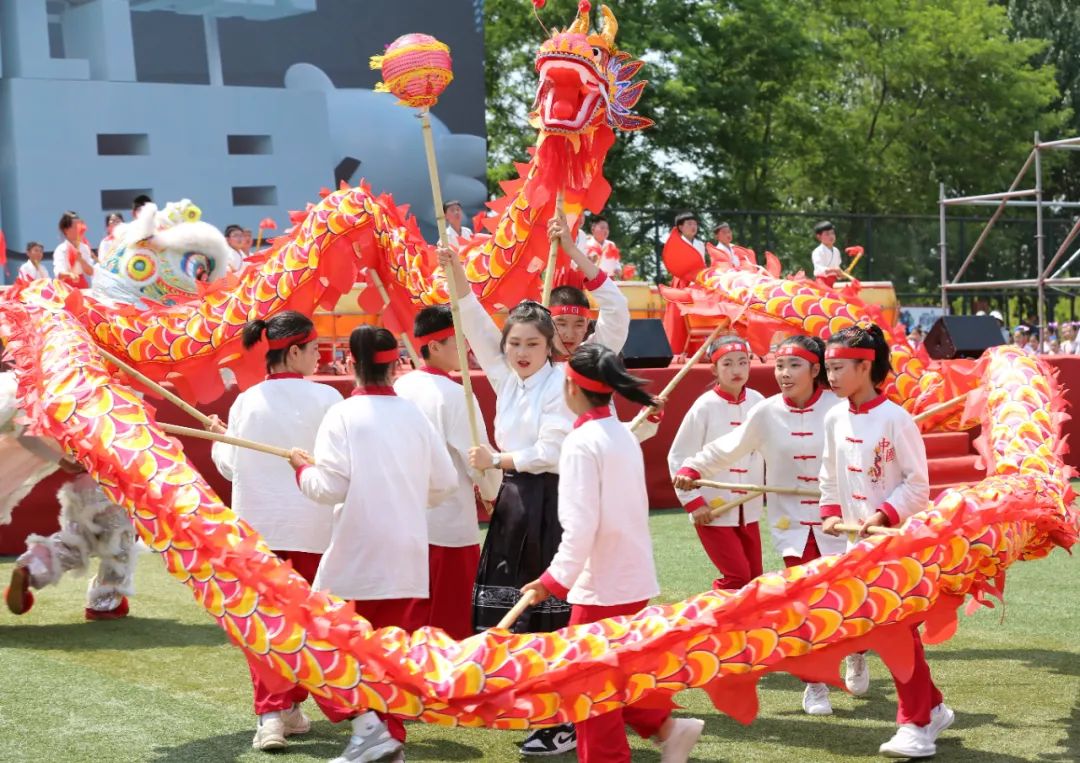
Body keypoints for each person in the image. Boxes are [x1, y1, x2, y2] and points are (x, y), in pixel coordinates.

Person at [521, 343, 704, 763]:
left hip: (601, 583)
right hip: (629, 576)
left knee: (590, 690)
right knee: (617, 672)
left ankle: (654, 734)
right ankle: (667, 727)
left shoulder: (584, 441)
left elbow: (580, 525)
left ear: (571, 386)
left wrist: (552, 580)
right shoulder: (618, 432)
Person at [289, 324, 457, 763]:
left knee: (320, 642)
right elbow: (445, 482)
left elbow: (327, 488)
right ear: (396, 362)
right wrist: (403, 497)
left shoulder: (343, 415)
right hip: (406, 554)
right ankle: (386, 740)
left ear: (348, 363)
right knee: (391, 656)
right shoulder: (413, 415)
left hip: (357, 554)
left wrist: (301, 469)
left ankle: (368, 728)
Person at [438, 246, 578, 756]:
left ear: (551, 346)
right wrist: (454, 271)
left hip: (551, 501)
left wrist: (497, 460)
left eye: (532, 343)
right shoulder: (507, 378)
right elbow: (471, 320)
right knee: (509, 605)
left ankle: (563, 719)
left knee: (548, 613)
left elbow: (553, 450)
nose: (521, 351)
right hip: (516, 504)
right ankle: (529, 705)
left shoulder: (560, 382)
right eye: (514, 342)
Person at [673, 335, 853, 716]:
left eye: (794, 366)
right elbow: (728, 446)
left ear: (815, 370)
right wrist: (693, 472)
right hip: (788, 522)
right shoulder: (764, 410)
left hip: (839, 520)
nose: (784, 374)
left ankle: (856, 652)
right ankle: (814, 683)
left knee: (845, 601)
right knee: (800, 600)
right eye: (779, 366)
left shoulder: (840, 408)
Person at [206, 311, 342, 752]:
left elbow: (232, 466)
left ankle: (275, 713)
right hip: (315, 529)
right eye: (315, 346)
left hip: (258, 530)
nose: (320, 353)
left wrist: (220, 440)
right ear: (294, 351)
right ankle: (284, 708)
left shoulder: (247, 400)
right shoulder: (327, 400)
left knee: (264, 623)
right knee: (308, 623)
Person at [818, 323, 953, 758]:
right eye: (828, 368)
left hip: (897, 544)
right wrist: (830, 512)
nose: (830, 377)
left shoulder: (897, 418)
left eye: (838, 368)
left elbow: (918, 487)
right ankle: (931, 708)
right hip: (857, 545)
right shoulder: (834, 417)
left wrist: (882, 515)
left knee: (896, 632)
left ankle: (915, 723)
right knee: (888, 632)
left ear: (865, 367)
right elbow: (828, 474)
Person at [393, 305, 502, 640]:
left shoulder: (400, 386)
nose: (465, 348)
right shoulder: (455, 394)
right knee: (452, 620)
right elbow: (477, 454)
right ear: (434, 346)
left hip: (403, 518)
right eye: (456, 341)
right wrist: (492, 493)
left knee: (411, 614)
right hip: (448, 521)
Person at [1, 367, 135, 621]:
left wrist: (62, 460)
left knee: (77, 540)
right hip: (108, 482)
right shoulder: (100, 390)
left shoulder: (53, 388)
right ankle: (105, 602)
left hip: (85, 482)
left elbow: (26, 436)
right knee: (117, 545)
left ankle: (32, 567)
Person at [667, 336, 764, 592]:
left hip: (749, 508)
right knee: (737, 577)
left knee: (754, 579)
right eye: (728, 363)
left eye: (743, 362)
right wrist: (694, 503)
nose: (736, 370)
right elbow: (679, 456)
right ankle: (709, 620)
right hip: (712, 508)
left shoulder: (759, 402)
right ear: (714, 369)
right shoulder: (704, 406)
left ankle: (744, 628)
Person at [52, 211, 95, 289]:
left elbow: (90, 272)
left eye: (80, 227)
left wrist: (81, 260)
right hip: (65, 287)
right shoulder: (61, 249)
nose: (79, 230)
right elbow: (58, 272)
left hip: (82, 285)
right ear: (66, 230)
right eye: (75, 227)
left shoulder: (84, 248)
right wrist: (69, 275)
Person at [811, 221, 845, 288]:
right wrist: (834, 270)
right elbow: (819, 269)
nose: (831, 236)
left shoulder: (836, 251)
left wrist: (841, 274)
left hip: (834, 283)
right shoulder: (817, 251)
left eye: (832, 233)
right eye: (827, 234)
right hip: (822, 283)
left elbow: (837, 269)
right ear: (819, 237)